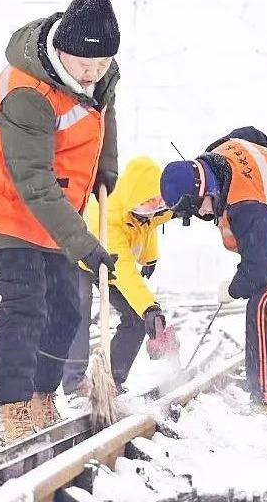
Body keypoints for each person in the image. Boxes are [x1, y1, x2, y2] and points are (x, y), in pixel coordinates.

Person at [0, 0, 121, 444]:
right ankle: (13, 407)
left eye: (102, 63)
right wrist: (84, 242)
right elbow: (31, 180)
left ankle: (40, 395)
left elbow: (105, 116)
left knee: (68, 308)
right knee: (26, 303)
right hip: (6, 206)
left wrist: (106, 167)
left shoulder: (101, 75)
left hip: (55, 208)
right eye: (83, 64)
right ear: (59, 50)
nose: (92, 72)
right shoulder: (27, 94)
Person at [159, 127, 267, 414]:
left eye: (199, 209)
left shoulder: (247, 205)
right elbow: (250, 134)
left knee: (265, 305)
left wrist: (233, 289)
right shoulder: (215, 157)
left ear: (206, 190)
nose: (204, 215)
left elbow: (261, 264)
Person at [62, 156, 176, 395]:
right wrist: (150, 307)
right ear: (135, 195)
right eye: (149, 200)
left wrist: (149, 256)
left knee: (135, 318)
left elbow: (150, 224)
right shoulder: (110, 215)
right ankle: (74, 384)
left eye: (158, 199)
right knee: (77, 312)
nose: (155, 204)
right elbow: (123, 269)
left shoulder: (147, 209)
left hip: (112, 260)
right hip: (81, 258)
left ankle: (110, 378)